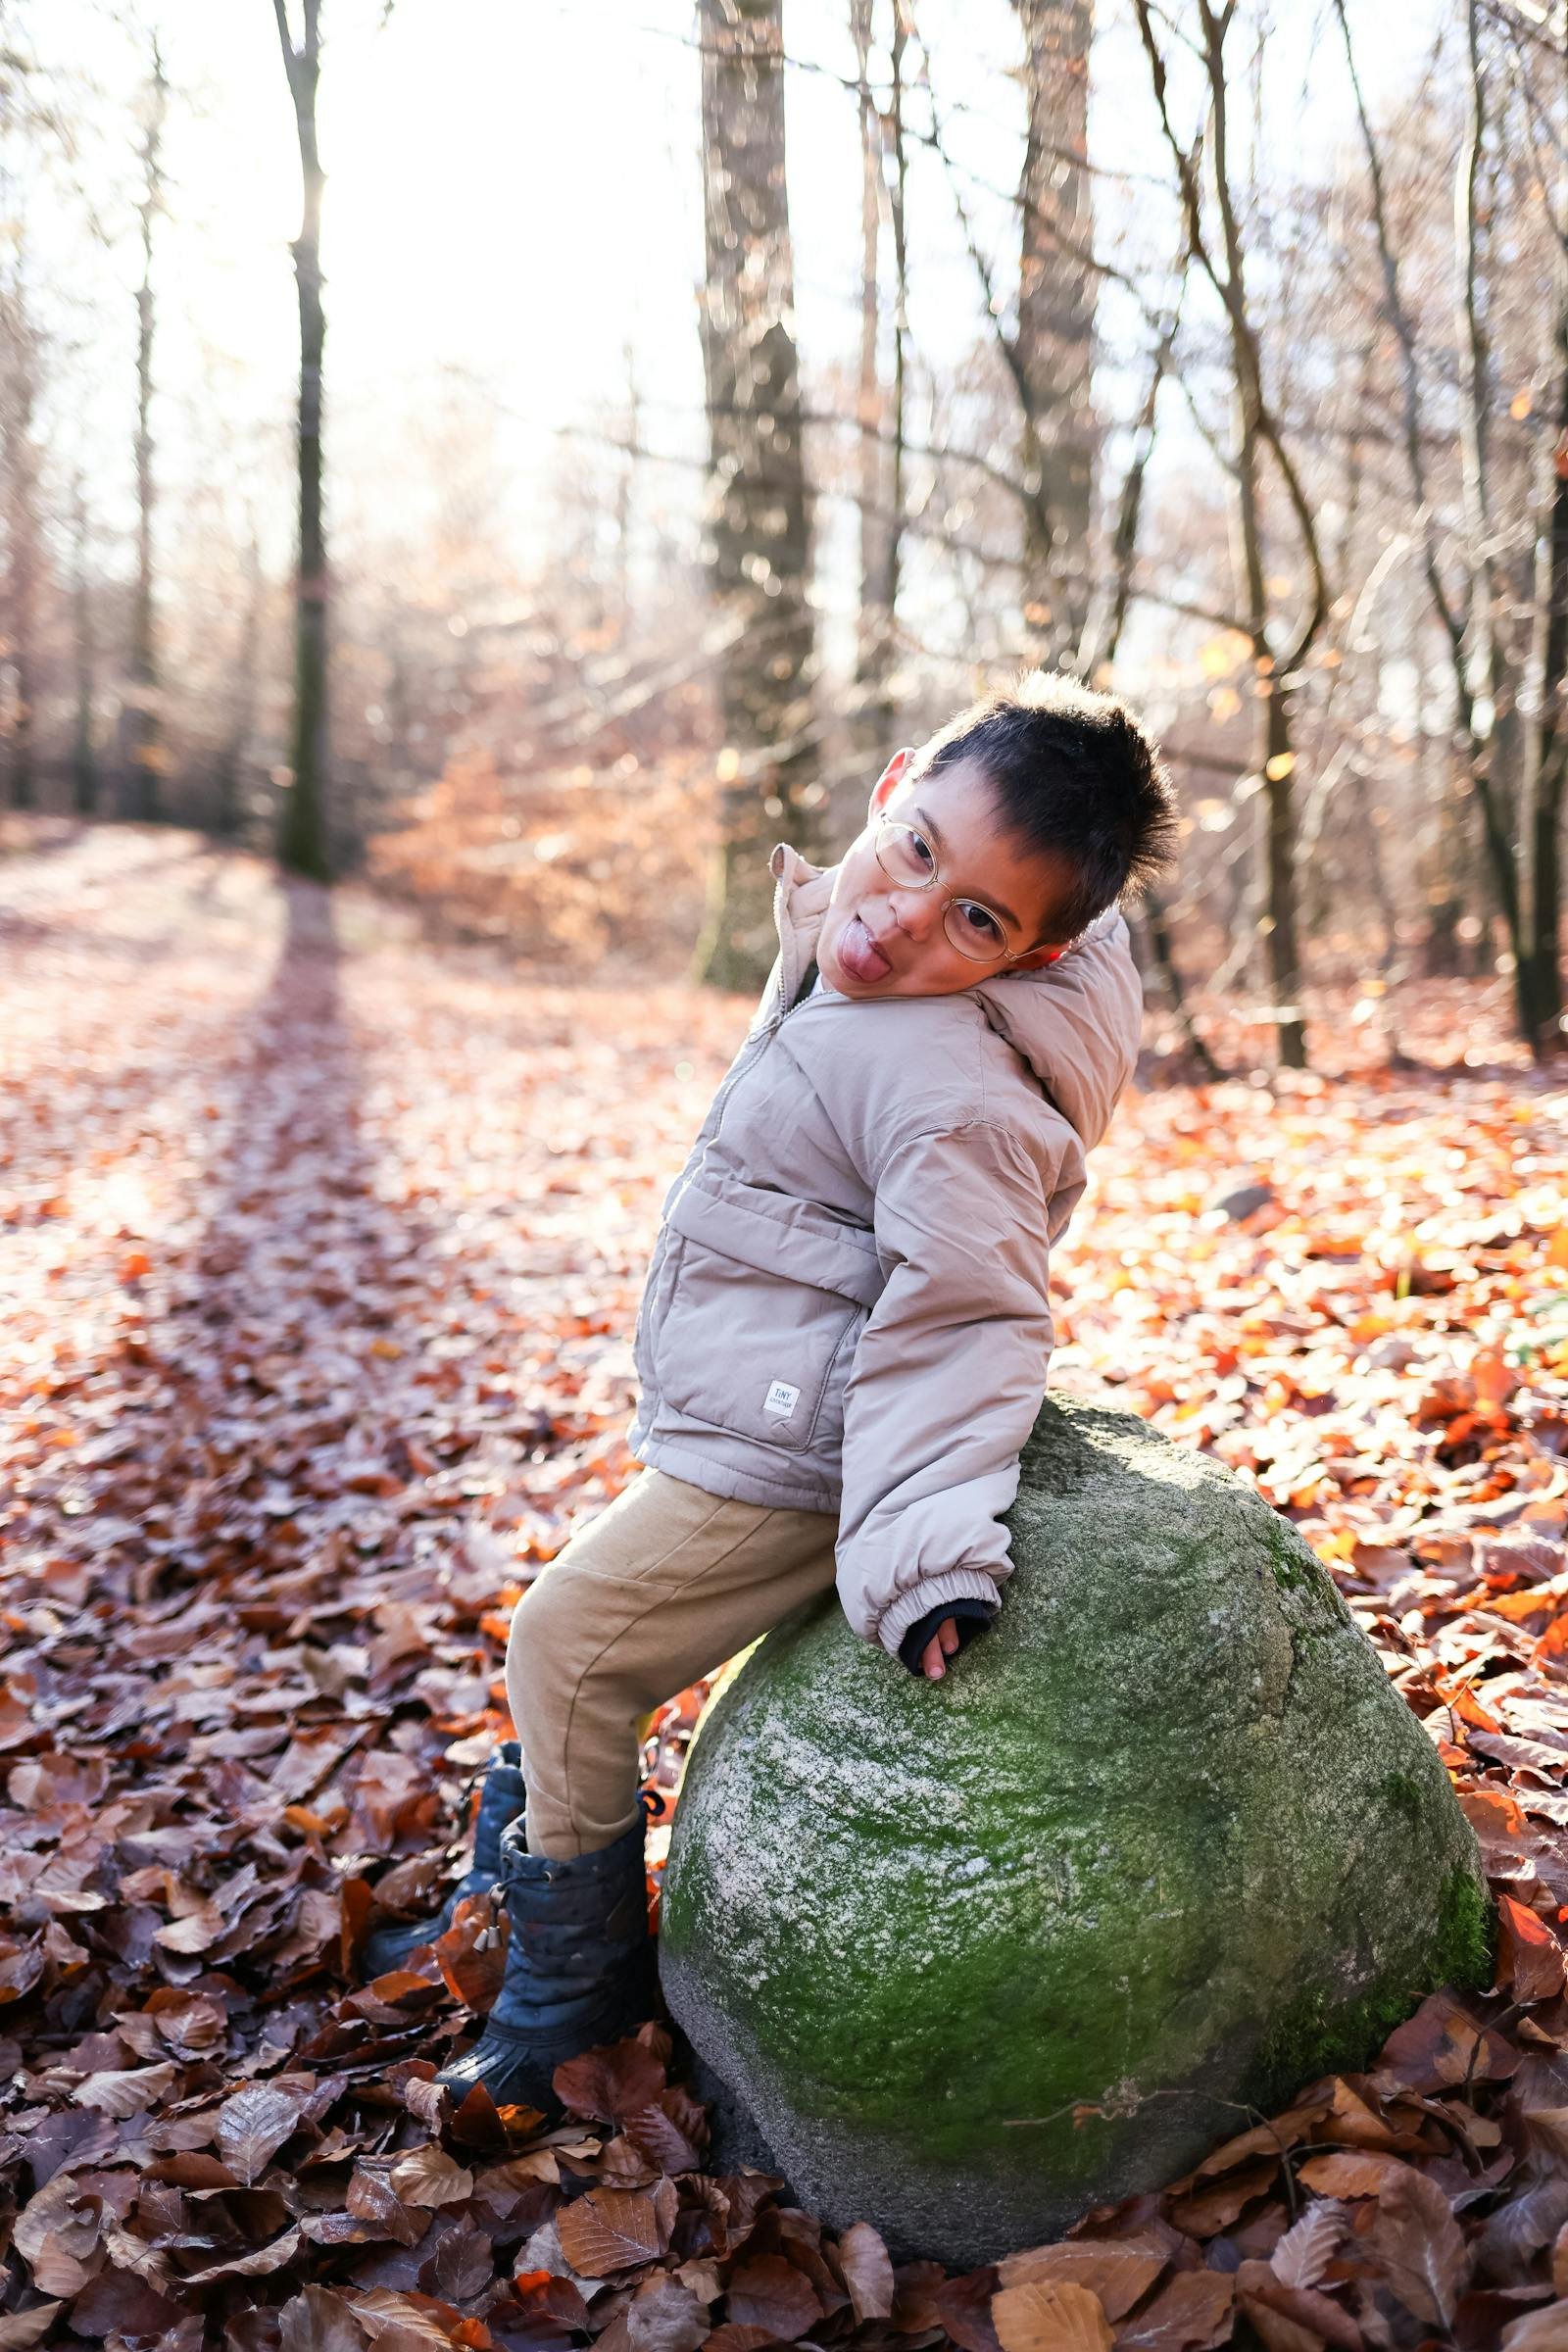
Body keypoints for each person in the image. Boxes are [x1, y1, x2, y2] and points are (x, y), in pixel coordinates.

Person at [365, 670, 1177, 2108]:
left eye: (975, 920)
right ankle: (513, 1891)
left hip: (811, 1449)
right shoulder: (872, 959)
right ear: (891, 787)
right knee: (571, 1639)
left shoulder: (954, 1086)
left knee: (564, 1642)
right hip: (764, 1400)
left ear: (1039, 955)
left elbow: (973, 1314)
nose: (906, 916)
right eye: (918, 850)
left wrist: (928, 1549)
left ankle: (578, 1991)